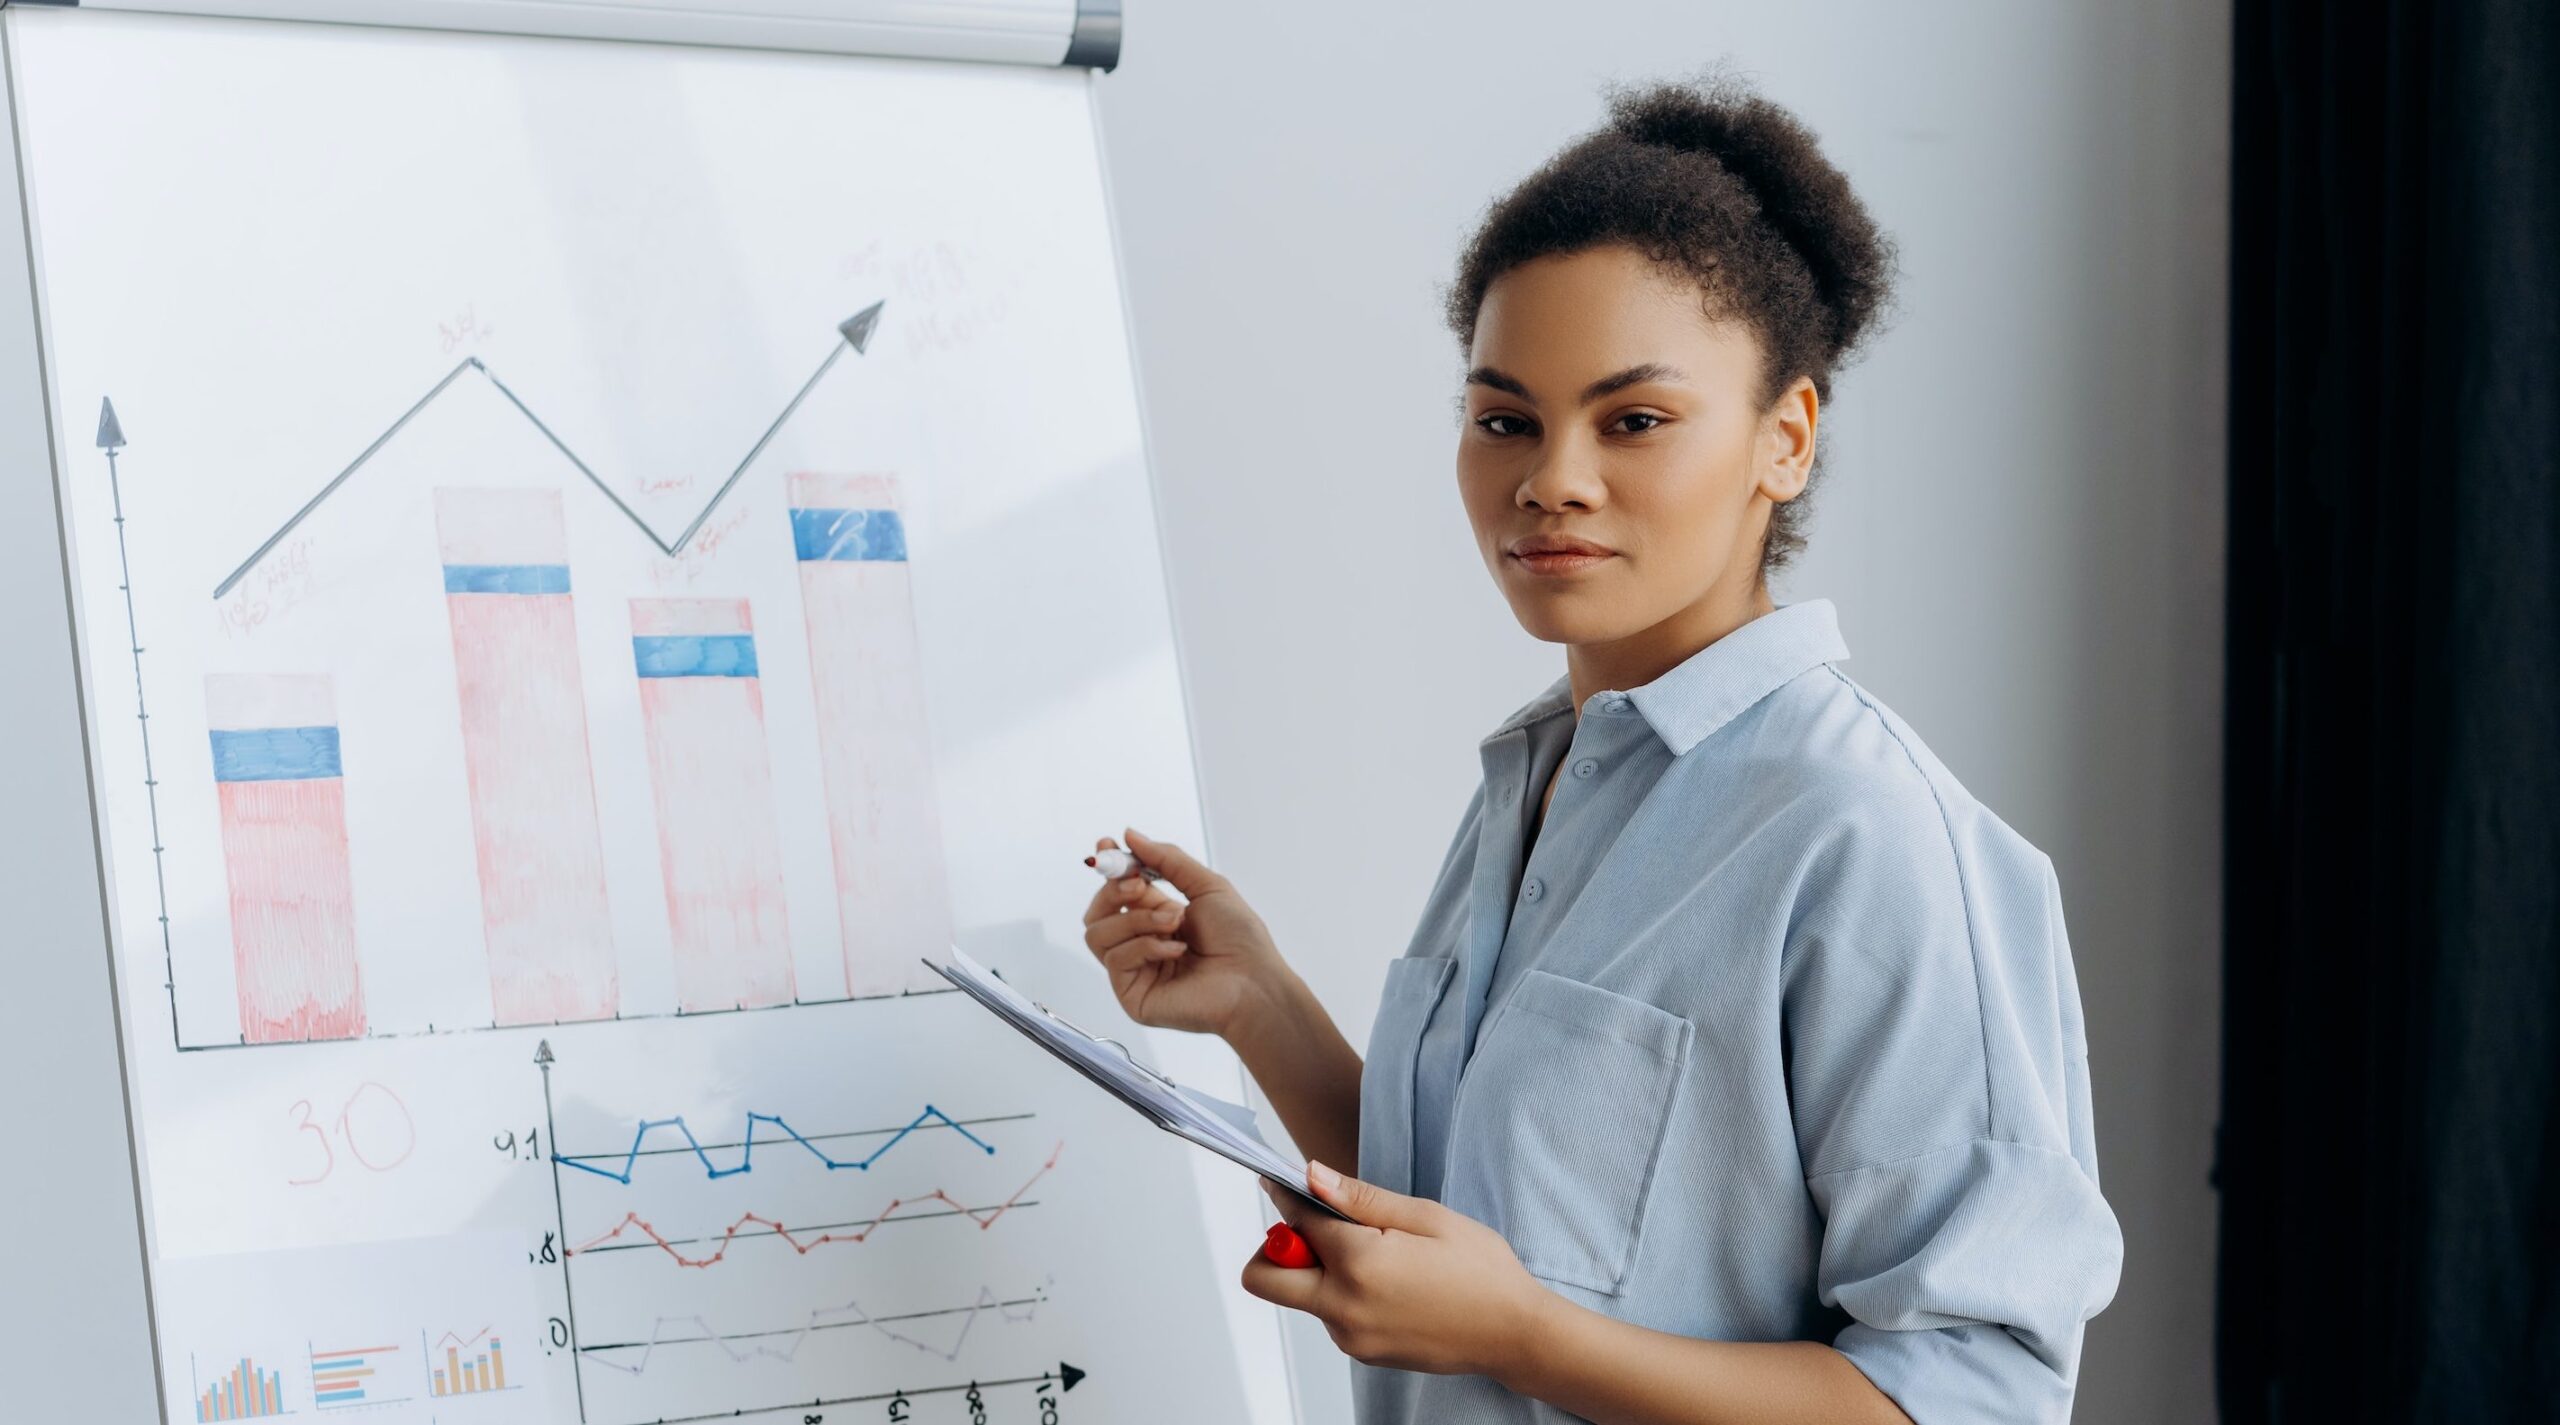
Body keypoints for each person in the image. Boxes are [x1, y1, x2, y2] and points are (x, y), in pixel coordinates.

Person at [1082, 76, 2121, 1425]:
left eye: (1633, 421)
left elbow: (1972, 1402)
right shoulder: (1536, 783)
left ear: (1784, 438)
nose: (1550, 478)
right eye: (1504, 417)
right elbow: (1477, 1229)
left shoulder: (1875, 838)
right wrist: (1260, 1005)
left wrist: (1530, 1339)